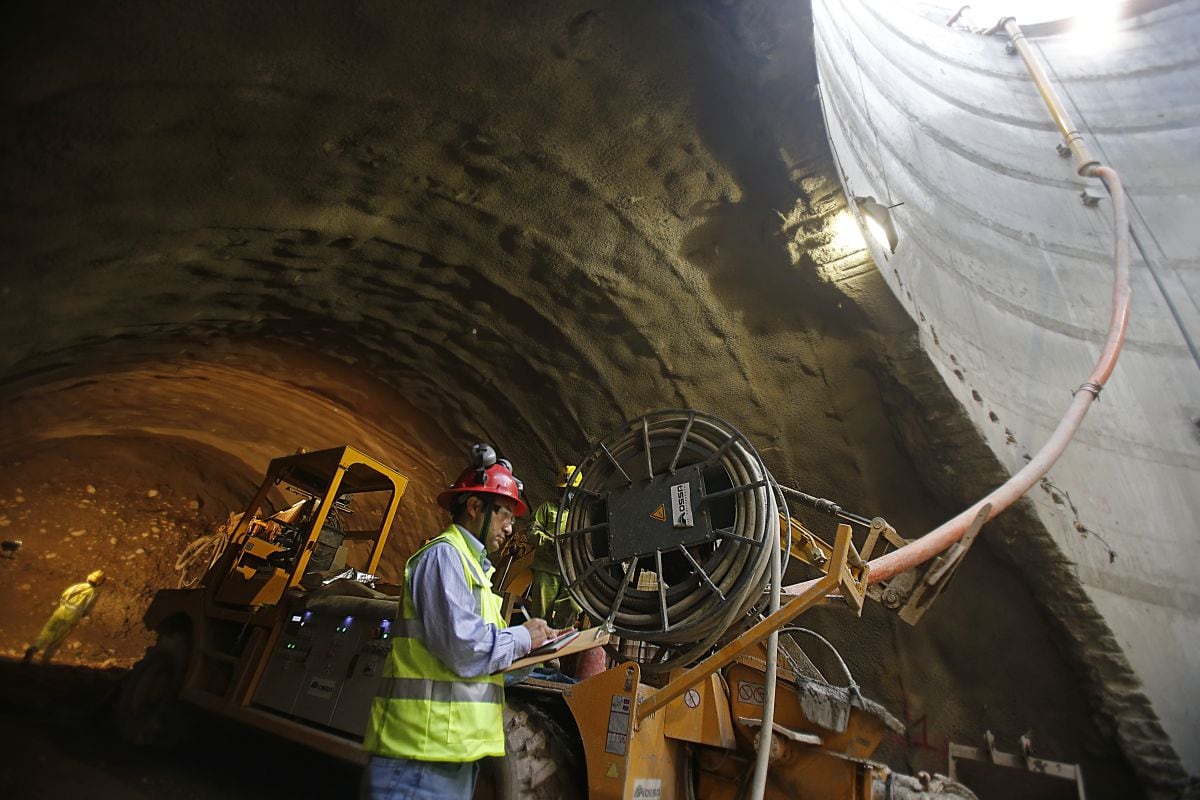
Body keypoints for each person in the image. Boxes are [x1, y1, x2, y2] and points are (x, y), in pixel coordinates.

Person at [361, 445, 561, 800]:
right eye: (505, 515)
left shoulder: (476, 571)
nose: (511, 526)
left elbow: (476, 664)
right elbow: (464, 650)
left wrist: (532, 651)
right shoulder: (444, 557)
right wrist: (521, 637)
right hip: (419, 758)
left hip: (449, 756)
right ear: (474, 507)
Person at [527, 465, 584, 629]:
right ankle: (539, 648)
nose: (567, 495)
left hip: (571, 572)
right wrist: (551, 543)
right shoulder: (547, 509)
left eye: (571, 490)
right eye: (563, 490)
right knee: (541, 616)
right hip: (546, 570)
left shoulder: (583, 516)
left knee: (574, 605)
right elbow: (532, 531)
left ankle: (559, 637)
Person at [23, 569, 105, 663]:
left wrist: (63, 606)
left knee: (46, 633)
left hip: (61, 611)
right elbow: (88, 606)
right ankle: (45, 660)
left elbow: (64, 595)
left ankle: (33, 649)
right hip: (72, 616)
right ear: (99, 583)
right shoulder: (93, 592)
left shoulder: (77, 586)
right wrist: (82, 614)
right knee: (58, 639)